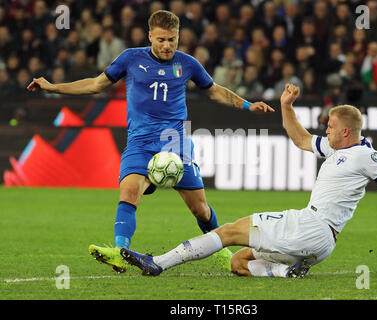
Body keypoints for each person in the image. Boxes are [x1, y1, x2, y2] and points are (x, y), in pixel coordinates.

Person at [26, 10, 274, 273]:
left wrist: (247, 105)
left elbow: (215, 91)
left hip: (175, 144)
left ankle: (221, 251)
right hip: (140, 143)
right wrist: (52, 87)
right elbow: (96, 84)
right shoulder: (131, 58)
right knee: (129, 193)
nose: (167, 46)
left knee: (200, 209)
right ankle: (120, 251)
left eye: (172, 39)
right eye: (161, 40)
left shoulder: (188, 63)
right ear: (150, 37)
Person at [119, 83, 377, 278]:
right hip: (320, 243)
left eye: (331, 127)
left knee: (227, 232)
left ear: (347, 132)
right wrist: (286, 106)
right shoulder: (336, 150)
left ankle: (158, 262)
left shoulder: (363, 155)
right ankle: (285, 272)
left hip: (312, 226)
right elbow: (301, 138)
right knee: (239, 262)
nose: (327, 130)